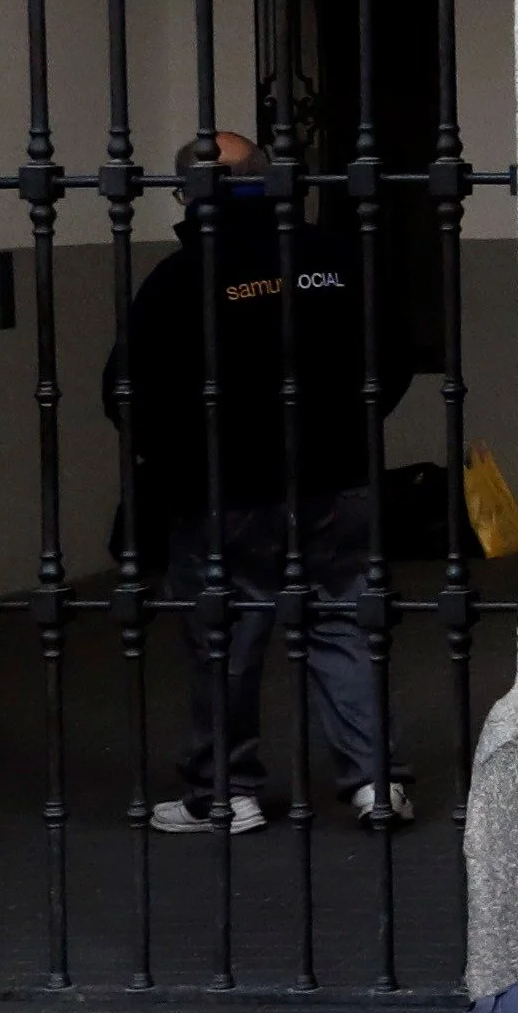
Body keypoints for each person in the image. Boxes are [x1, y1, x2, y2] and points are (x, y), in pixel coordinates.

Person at [117, 132, 411, 834]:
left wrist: (182, 460)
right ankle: (375, 783)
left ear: (188, 195)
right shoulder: (336, 258)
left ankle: (227, 792)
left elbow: (129, 390)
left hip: (227, 489)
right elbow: (392, 359)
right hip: (338, 478)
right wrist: (344, 429)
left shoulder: (181, 276)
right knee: (342, 620)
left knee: (228, 636)